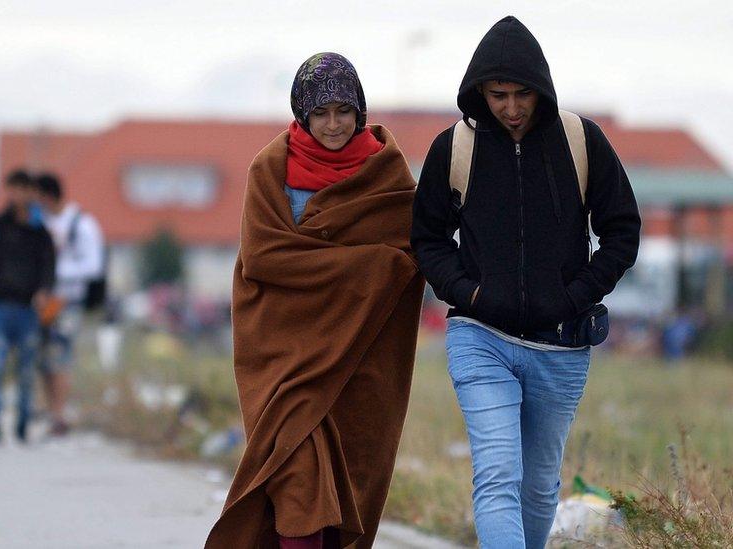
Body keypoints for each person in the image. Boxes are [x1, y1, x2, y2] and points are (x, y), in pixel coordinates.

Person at [411, 16, 641, 549]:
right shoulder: (454, 149)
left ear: (541, 90)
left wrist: (573, 295)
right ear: (479, 92)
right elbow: (427, 239)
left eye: (521, 95)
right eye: (497, 95)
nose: (511, 108)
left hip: (561, 345)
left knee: (539, 490)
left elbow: (622, 231)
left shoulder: (583, 141)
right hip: (479, 338)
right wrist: (468, 293)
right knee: (497, 477)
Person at [206, 52, 425, 549]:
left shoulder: (386, 173)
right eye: (320, 113)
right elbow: (263, 257)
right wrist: (369, 266)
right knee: (296, 474)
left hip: (356, 356)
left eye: (343, 111)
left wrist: (383, 267)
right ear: (302, 114)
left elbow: (411, 252)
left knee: (347, 481)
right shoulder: (271, 168)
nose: (333, 124)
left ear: (360, 111)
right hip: (283, 356)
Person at [0, 170, 55, 443]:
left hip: (27, 309)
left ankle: (23, 423)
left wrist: (44, 291)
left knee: (26, 370)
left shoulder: (40, 231)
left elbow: (48, 266)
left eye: (25, 189)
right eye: (15, 189)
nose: (20, 195)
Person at [35, 173, 104, 437]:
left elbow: (93, 266)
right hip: (43, 301)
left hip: (67, 300)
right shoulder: (41, 223)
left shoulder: (81, 224)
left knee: (60, 357)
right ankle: (51, 409)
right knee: (43, 359)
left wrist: (57, 272)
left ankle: (59, 413)